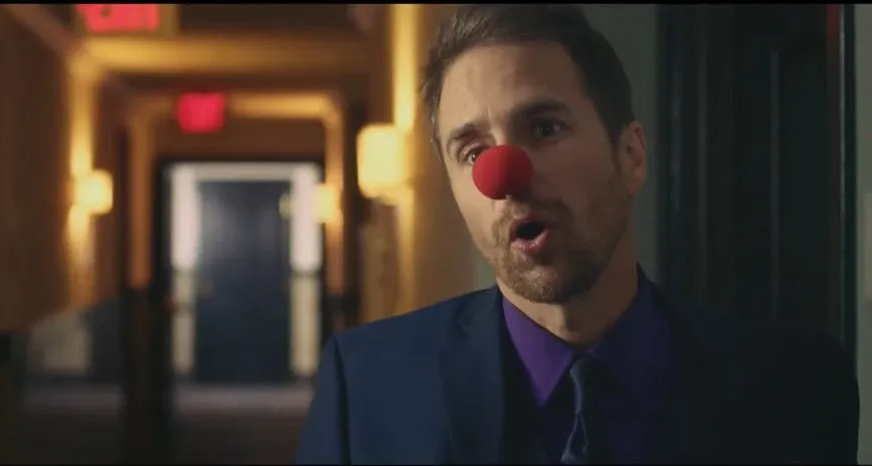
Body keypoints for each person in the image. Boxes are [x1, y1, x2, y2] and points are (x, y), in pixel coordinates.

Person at [296, 4, 859, 464]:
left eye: (545, 128)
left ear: (631, 155)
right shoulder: (365, 388)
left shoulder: (796, 389)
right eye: (473, 152)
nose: (504, 177)